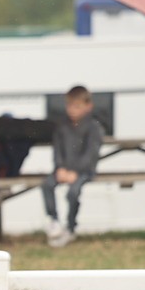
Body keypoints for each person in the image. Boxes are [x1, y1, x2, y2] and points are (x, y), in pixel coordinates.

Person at [42, 85, 103, 248]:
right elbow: (57, 151)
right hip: (63, 170)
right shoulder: (62, 127)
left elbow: (91, 154)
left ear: (88, 106)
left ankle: (70, 227)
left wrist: (76, 172)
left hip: (84, 171)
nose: (72, 110)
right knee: (47, 185)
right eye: (69, 105)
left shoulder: (94, 128)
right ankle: (54, 221)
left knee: (73, 192)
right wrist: (60, 168)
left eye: (77, 106)